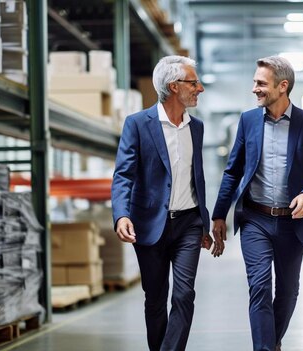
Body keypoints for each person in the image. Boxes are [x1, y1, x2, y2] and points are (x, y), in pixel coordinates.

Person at [211, 56, 303, 351]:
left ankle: (272, 341)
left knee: (289, 291)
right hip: (256, 218)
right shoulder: (248, 121)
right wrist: (218, 216)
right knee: (260, 287)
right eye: (255, 82)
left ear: (283, 86)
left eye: (260, 83)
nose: (254, 88)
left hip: (293, 222)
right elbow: (233, 170)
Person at [111, 55, 221, 351]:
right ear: (174, 86)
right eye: (194, 82)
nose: (200, 88)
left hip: (188, 223)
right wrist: (121, 215)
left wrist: (204, 221)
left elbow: (197, 177)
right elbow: (124, 174)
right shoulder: (138, 124)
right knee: (155, 299)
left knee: (184, 295)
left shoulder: (195, 127)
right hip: (149, 224)